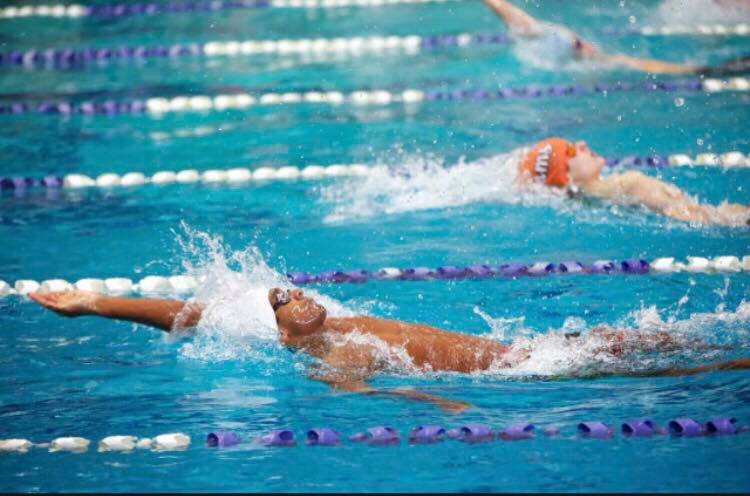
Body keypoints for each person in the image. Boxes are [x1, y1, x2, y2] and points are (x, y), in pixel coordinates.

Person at [28, 287, 750, 412]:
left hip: (527, 351)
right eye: (285, 304)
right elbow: (356, 391)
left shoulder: (331, 325)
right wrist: (423, 398)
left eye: (291, 290)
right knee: (676, 363)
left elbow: (192, 315)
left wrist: (94, 302)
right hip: (536, 372)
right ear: (282, 332)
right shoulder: (332, 351)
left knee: (648, 335)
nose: (298, 297)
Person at [517, 137, 750, 226]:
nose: (582, 144)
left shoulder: (587, 206)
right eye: (569, 150)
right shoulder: (631, 183)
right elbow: (695, 214)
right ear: (565, 178)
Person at [483, 0, 750, 75]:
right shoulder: (544, 42)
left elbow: (508, 13)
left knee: (695, 72)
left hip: (597, 60)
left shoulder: (540, 40)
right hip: (595, 60)